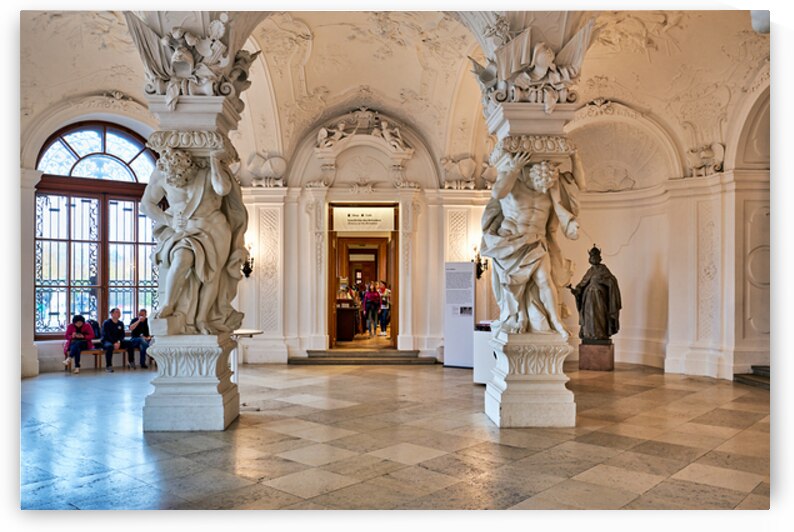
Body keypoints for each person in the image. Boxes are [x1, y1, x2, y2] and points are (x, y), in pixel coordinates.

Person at [140, 147, 247, 335]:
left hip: (215, 228)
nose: (178, 181)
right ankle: (168, 305)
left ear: (189, 166)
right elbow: (146, 204)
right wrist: (168, 220)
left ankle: (202, 318)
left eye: (182, 176)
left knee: (212, 275)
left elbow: (223, 189)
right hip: (185, 230)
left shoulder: (206, 170)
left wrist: (215, 161)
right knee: (181, 259)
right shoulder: (161, 174)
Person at [480, 153, 580, 339]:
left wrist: (575, 157)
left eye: (547, 187)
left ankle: (556, 321)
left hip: (536, 241)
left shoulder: (549, 188)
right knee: (513, 285)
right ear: (532, 175)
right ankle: (520, 318)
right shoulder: (513, 183)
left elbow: (570, 197)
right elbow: (497, 193)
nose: (543, 190)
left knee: (545, 280)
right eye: (539, 185)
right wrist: (514, 169)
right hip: (511, 242)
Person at [568, 246, 622, 341]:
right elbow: (582, 284)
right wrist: (575, 290)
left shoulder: (603, 269)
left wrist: (603, 281)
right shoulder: (590, 271)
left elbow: (612, 281)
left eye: (595, 256)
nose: (593, 259)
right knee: (589, 316)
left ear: (599, 258)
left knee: (599, 316)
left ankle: (601, 334)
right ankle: (589, 334)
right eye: (592, 257)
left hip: (600, 298)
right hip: (588, 299)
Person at [101, 308, 135, 372]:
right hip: (107, 341)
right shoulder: (107, 323)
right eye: (116, 312)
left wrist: (118, 342)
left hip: (118, 342)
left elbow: (122, 335)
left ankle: (131, 361)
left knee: (130, 343)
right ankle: (108, 366)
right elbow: (107, 335)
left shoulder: (121, 323)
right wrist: (114, 343)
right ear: (112, 314)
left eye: (119, 312)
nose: (118, 314)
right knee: (109, 346)